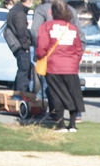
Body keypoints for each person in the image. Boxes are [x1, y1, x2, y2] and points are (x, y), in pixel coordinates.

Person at [35, 0, 84, 132]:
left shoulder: (46, 26)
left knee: (57, 95)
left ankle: (61, 124)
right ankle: (72, 124)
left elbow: (41, 48)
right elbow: (79, 48)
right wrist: (75, 60)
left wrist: (40, 57)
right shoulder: (72, 28)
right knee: (73, 94)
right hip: (71, 66)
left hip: (54, 66)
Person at [5, 0, 33, 93]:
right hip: (21, 46)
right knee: (24, 71)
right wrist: (26, 46)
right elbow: (21, 32)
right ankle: (21, 95)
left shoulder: (14, 10)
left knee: (22, 70)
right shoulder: (20, 13)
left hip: (16, 45)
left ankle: (16, 93)